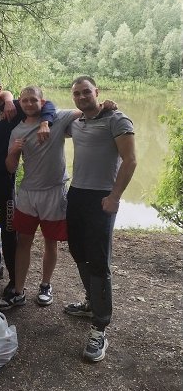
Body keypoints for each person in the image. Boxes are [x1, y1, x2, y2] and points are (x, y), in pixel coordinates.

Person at [65, 76, 136, 363]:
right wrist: (44, 123)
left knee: (98, 259)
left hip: (102, 197)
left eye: (86, 92)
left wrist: (115, 196)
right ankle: (91, 302)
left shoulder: (117, 119)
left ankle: (100, 326)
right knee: (77, 251)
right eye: (77, 94)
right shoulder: (77, 122)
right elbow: (45, 112)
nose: (82, 97)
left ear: (97, 92)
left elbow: (130, 160)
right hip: (77, 193)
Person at [0, 86, 79, 310]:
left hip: (54, 191)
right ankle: (18, 291)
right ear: (20, 102)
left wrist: (106, 106)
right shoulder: (17, 131)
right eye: (25, 100)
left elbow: (83, 111)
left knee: (51, 242)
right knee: (23, 242)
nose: (29, 104)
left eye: (34, 100)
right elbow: (10, 168)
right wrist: (14, 152)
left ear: (42, 102)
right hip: (28, 193)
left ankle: (45, 285)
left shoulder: (57, 119)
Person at [0, 74, 56, 287]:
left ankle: (14, 280)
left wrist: (44, 122)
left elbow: (48, 104)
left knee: (10, 228)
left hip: (5, 176)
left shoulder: (17, 107)